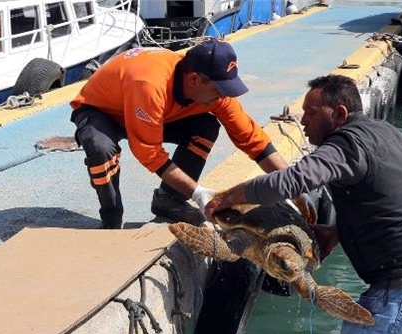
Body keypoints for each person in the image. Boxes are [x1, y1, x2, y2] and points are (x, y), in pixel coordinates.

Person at [204, 74, 402, 334]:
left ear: (339, 114)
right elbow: (392, 201)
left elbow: (292, 181)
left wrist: (227, 198)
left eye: (311, 114)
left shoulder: (346, 145)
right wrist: (338, 231)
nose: (303, 122)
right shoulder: (384, 132)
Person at [69, 38, 288, 229]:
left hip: (149, 111)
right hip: (101, 111)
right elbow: (149, 152)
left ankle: (169, 199)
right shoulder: (150, 85)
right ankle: (111, 219)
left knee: (205, 126)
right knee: (101, 148)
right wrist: (198, 192)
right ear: (194, 80)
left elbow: (252, 140)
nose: (223, 96)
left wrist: (294, 186)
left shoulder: (212, 89)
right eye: (219, 90)